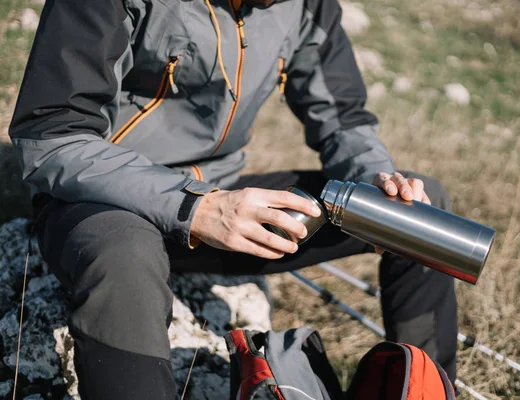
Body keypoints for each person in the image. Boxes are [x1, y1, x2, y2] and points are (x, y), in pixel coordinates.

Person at [9, 0, 457, 398]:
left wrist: (374, 185)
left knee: (417, 213)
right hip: (105, 202)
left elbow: (343, 121)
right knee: (125, 258)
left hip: (226, 209)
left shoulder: (305, 6)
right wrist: (195, 206)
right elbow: (50, 138)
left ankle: (426, 390)